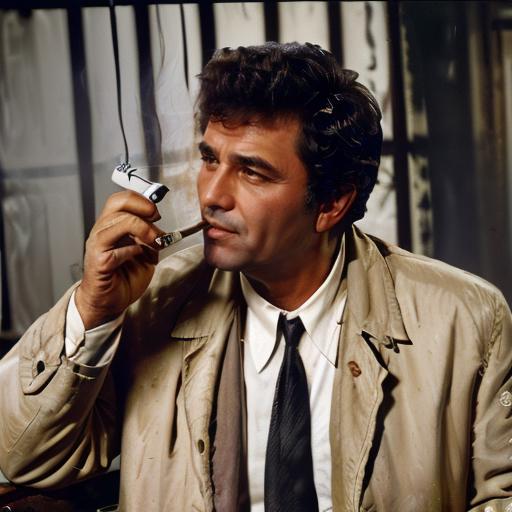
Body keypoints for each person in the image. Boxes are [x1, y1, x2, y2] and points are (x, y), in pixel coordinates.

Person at [0, 41, 511, 512]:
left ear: (332, 202)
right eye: (209, 159)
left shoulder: (468, 318)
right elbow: (26, 460)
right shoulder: (146, 303)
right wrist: (92, 310)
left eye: (251, 171)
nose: (211, 195)